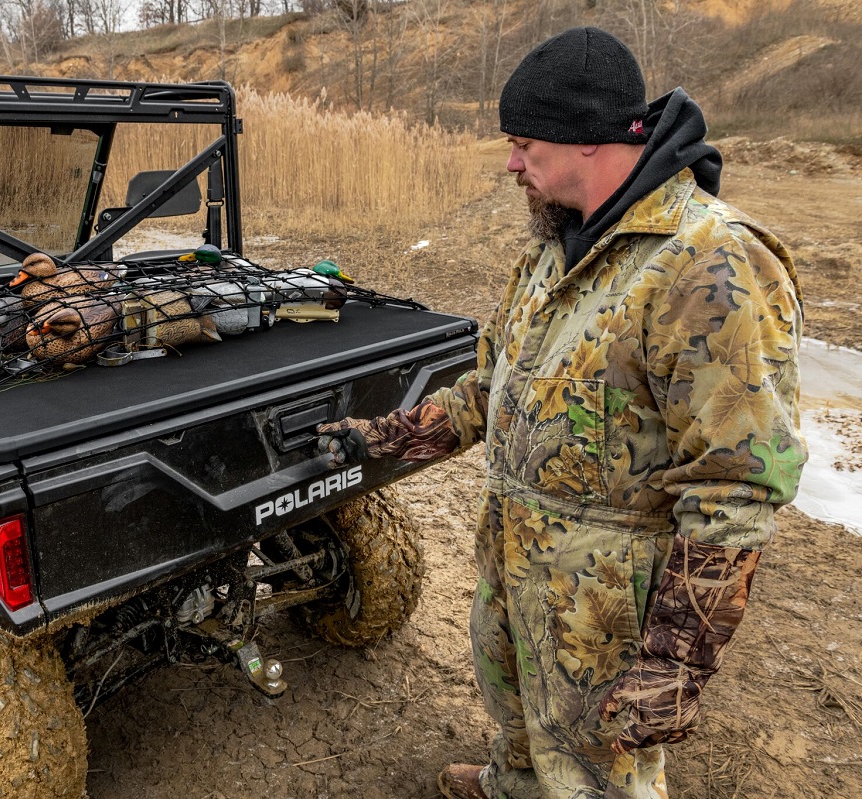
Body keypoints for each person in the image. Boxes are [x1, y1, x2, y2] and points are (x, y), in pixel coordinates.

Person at [318, 26, 805, 799]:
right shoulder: (555, 247)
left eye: (523, 144)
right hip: (515, 569)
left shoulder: (707, 264)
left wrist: (675, 663)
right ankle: (513, 783)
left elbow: (735, 487)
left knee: (596, 774)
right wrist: (380, 437)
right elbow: (491, 389)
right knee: (516, 718)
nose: (512, 164)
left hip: (603, 610)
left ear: (586, 139)